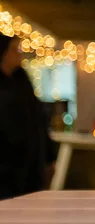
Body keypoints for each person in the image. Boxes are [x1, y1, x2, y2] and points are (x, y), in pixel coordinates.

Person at [0, 34, 57, 199]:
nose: (19, 54)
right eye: (13, 50)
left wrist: (49, 156)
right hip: (5, 170)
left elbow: (38, 120)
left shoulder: (22, 80)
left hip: (29, 169)